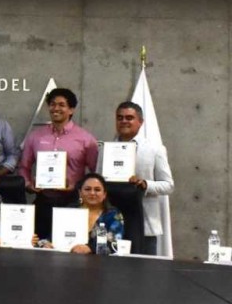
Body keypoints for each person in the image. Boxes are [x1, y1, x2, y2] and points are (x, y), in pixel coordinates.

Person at [18, 88, 98, 241]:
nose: (56, 108)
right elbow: (24, 166)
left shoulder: (86, 139)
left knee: (69, 245)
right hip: (43, 201)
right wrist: (28, 184)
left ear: (71, 109)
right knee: (38, 244)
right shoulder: (36, 136)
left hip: (72, 202)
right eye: (52, 104)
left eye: (61, 105)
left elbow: (96, 172)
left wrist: (77, 186)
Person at [115, 101, 174, 256]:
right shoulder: (106, 148)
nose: (124, 121)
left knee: (144, 269)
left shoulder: (154, 149)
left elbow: (168, 185)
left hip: (145, 223)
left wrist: (145, 184)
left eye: (129, 118)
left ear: (140, 122)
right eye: (120, 118)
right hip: (112, 225)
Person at [66, 173, 124, 255]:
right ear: (80, 193)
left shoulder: (112, 214)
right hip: (68, 257)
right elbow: (54, 237)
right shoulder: (69, 211)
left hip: (101, 261)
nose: (92, 193)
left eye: (97, 190)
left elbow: (115, 244)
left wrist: (90, 248)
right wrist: (47, 243)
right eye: (87, 189)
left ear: (104, 194)